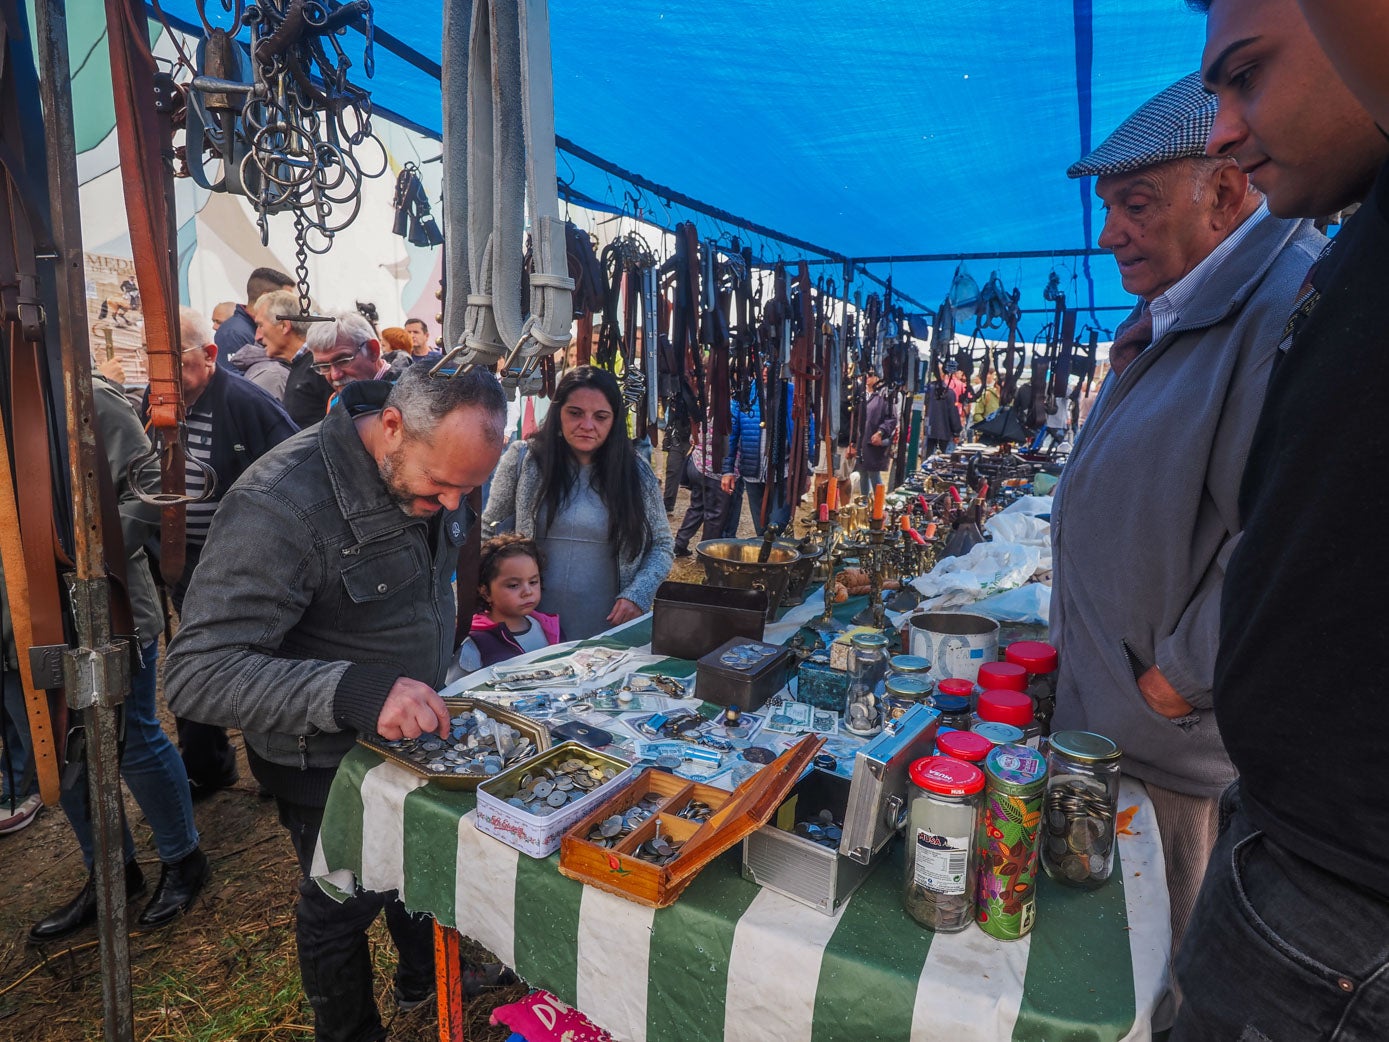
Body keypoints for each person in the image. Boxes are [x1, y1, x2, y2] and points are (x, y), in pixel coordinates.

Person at [1049, 69, 1325, 959]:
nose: (1108, 235)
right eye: (1108, 207)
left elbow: (1293, 541)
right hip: (1121, 738)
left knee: (1145, 977)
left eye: (1134, 204)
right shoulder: (1187, 310)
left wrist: (1172, 682)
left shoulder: (1284, 308)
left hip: (1167, 759)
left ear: (1224, 189)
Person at [165, 363, 509, 1041]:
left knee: (414, 867)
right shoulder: (280, 504)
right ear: (390, 427)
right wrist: (354, 689)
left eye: (463, 492)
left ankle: (422, 976)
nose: (448, 504)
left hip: (411, 732)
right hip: (320, 758)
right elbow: (197, 672)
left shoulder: (435, 457)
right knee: (337, 904)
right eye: (439, 486)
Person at [1164, 2, 1389, 1037]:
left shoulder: (1273, 287)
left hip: (1339, 913)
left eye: (1246, 74)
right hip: (1304, 867)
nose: (1224, 128)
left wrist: (1181, 661)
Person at [30, 368, 206, 941]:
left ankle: (184, 859)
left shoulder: (80, 395)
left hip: (105, 605)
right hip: (27, 616)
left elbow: (149, 489)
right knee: (64, 747)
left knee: (132, 739)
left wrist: (86, 563)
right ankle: (109, 873)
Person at [145, 308, 298, 797]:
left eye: (171, 366)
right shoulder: (156, 402)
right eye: (152, 368)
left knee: (254, 659)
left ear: (208, 356)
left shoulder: (246, 402)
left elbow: (294, 472)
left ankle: (277, 768)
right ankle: (206, 766)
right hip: (183, 563)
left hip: (242, 563)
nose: (160, 381)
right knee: (191, 659)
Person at [483, 365, 673, 640]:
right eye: (575, 413)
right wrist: (490, 594)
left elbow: (663, 545)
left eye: (600, 416)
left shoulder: (635, 472)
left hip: (609, 629)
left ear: (614, 420)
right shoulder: (524, 460)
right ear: (558, 412)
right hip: (528, 628)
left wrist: (638, 594)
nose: (587, 425)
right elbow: (489, 532)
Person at [448, 535, 563, 680]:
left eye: (533, 581)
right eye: (513, 585)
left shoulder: (550, 628)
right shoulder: (474, 643)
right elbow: (457, 695)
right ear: (485, 592)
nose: (527, 592)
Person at [719, 380, 812, 536]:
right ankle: (768, 558)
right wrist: (727, 470)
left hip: (785, 472)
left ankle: (775, 551)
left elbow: (808, 431)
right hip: (753, 471)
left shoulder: (794, 393)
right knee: (761, 530)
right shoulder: (744, 393)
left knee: (776, 525)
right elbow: (732, 434)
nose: (766, 369)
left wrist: (807, 470)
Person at [305, 309, 402, 399]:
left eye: (343, 361)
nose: (335, 375)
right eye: (324, 366)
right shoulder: (336, 400)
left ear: (373, 350)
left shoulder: (409, 398)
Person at [214, 267, 294, 372]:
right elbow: (233, 380)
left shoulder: (247, 328)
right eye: (286, 299)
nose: (292, 306)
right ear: (265, 297)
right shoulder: (232, 333)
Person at [235, 288, 309, 401]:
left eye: (261, 325)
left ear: (284, 326)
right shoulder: (296, 369)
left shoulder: (318, 367)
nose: (257, 337)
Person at [852, 370, 897, 493]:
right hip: (861, 441)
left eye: (871, 375)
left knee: (874, 474)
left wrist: (880, 432)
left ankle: (878, 505)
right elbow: (856, 418)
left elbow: (892, 418)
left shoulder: (884, 396)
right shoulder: (861, 395)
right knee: (863, 474)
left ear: (878, 377)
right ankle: (864, 504)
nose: (867, 377)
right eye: (865, 375)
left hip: (873, 441)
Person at [922, 375, 961, 457]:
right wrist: (956, 432)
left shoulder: (927, 391)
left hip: (929, 430)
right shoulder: (949, 393)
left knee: (928, 458)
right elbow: (953, 414)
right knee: (944, 461)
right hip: (945, 432)